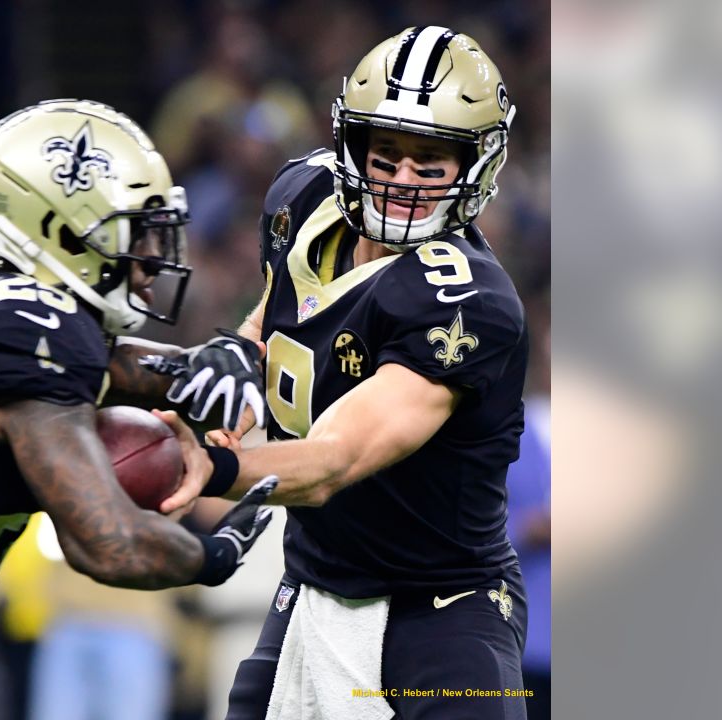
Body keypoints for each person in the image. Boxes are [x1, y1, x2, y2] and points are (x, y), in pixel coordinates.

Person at [154, 27, 530, 719]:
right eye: (386, 156)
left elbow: (335, 459)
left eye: (430, 163)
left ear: (477, 166)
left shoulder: (465, 300)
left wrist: (220, 468)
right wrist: (232, 360)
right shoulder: (303, 198)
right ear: (350, 143)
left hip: (439, 604)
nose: (403, 182)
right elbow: (272, 326)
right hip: (315, 581)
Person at [0, 99, 275, 592]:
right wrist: (214, 555)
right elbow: (113, 545)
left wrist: (208, 365)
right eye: (138, 234)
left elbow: (111, 365)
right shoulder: (32, 328)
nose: (154, 259)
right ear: (62, 233)